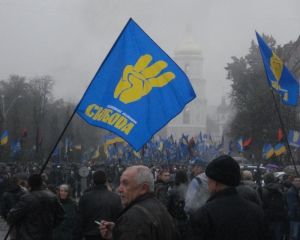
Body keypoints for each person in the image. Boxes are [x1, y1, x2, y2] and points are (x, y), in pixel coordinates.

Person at [187, 155, 269, 240]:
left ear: (215, 182)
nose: (207, 183)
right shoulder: (257, 212)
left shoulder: (203, 215)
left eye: (209, 179)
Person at [100, 165, 180, 240]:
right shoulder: (158, 206)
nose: (119, 189)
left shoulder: (132, 219)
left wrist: (127, 228)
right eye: (120, 183)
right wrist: (118, 232)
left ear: (143, 188)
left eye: (125, 183)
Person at [7, 173, 65, 239]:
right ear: (41, 183)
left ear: (29, 185)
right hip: (47, 235)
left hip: (29, 235)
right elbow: (61, 214)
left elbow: (11, 215)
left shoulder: (27, 198)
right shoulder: (52, 196)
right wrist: (51, 225)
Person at [73, 169, 122, 240]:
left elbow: (79, 219)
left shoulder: (85, 197)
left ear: (93, 181)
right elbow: (119, 218)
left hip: (90, 235)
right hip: (109, 234)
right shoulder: (115, 197)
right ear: (106, 181)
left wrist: (77, 236)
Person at [258, 172, 286, 240]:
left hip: (266, 217)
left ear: (265, 180)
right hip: (278, 217)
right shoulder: (279, 189)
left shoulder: (262, 190)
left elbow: (259, 203)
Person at [168, 170, 189, 240]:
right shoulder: (190, 190)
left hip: (175, 220)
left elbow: (168, 207)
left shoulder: (172, 192)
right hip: (188, 220)